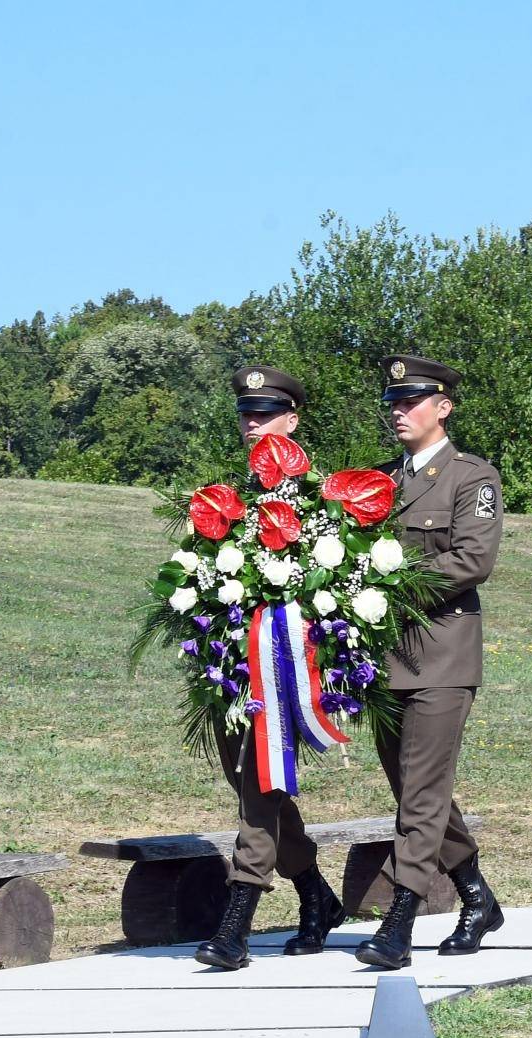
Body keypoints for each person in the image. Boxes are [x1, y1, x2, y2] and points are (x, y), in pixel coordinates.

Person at [353, 353, 505, 970]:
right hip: (387, 661)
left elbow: (472, 562)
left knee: (419, 795)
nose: (398, 410)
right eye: (392, 401)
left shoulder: (472, 478)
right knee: (417, 790)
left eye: (410, 400)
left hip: (443, 655)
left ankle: (399, 921)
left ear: (442, 408)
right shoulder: (379, 483)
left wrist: (388, 581)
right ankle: (476, 895)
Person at [195, 366, 342, 970]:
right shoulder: (230, 500)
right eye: (246, 412)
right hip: (237, 669)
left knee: (260, 787)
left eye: (266, 411)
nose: (253, 422)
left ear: (293, 420)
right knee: (256, 783)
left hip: (292, 670)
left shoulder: (324, 501)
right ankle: (316, 896)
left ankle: (236, 922)